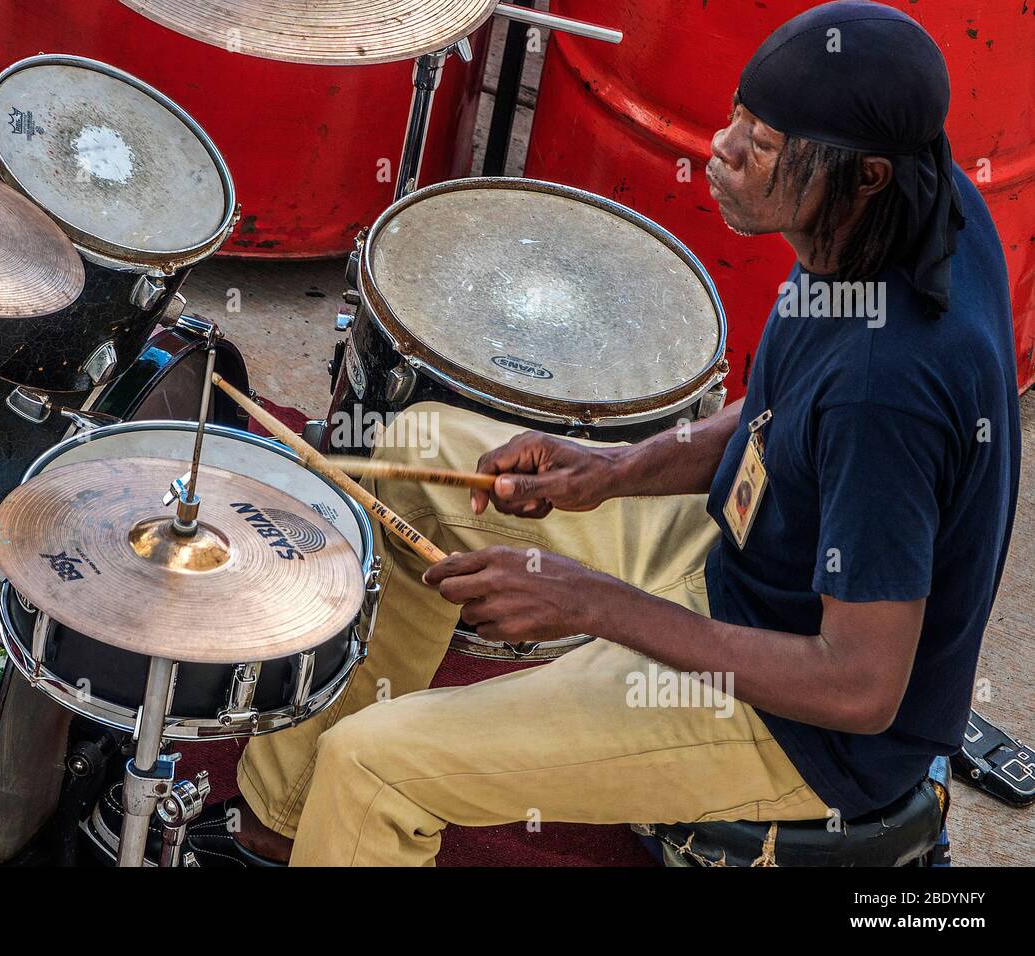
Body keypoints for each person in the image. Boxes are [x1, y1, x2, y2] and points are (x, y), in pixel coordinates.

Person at [187, 0, 1020, 866]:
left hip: (797, 725)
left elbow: (860, 687)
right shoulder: (923, 206)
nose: (721, 152)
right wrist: (612, 469)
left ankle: (350, 812)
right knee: (415, 453)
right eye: (736, 118)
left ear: (868, 175)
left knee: (378, 766)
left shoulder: (890, 392)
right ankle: (277, 826)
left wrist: (590, 602)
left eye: (763, 147)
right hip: (738, 557)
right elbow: (785, 407)